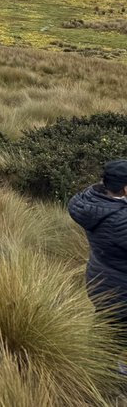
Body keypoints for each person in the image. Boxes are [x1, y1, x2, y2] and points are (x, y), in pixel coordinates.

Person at [69, 159, 127, 372]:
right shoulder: (119, 220)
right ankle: (110, 377)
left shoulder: (93, 202)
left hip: (102, 280)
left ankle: (93, 367)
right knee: (117, 336)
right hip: (122, 290)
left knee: (106, 329)